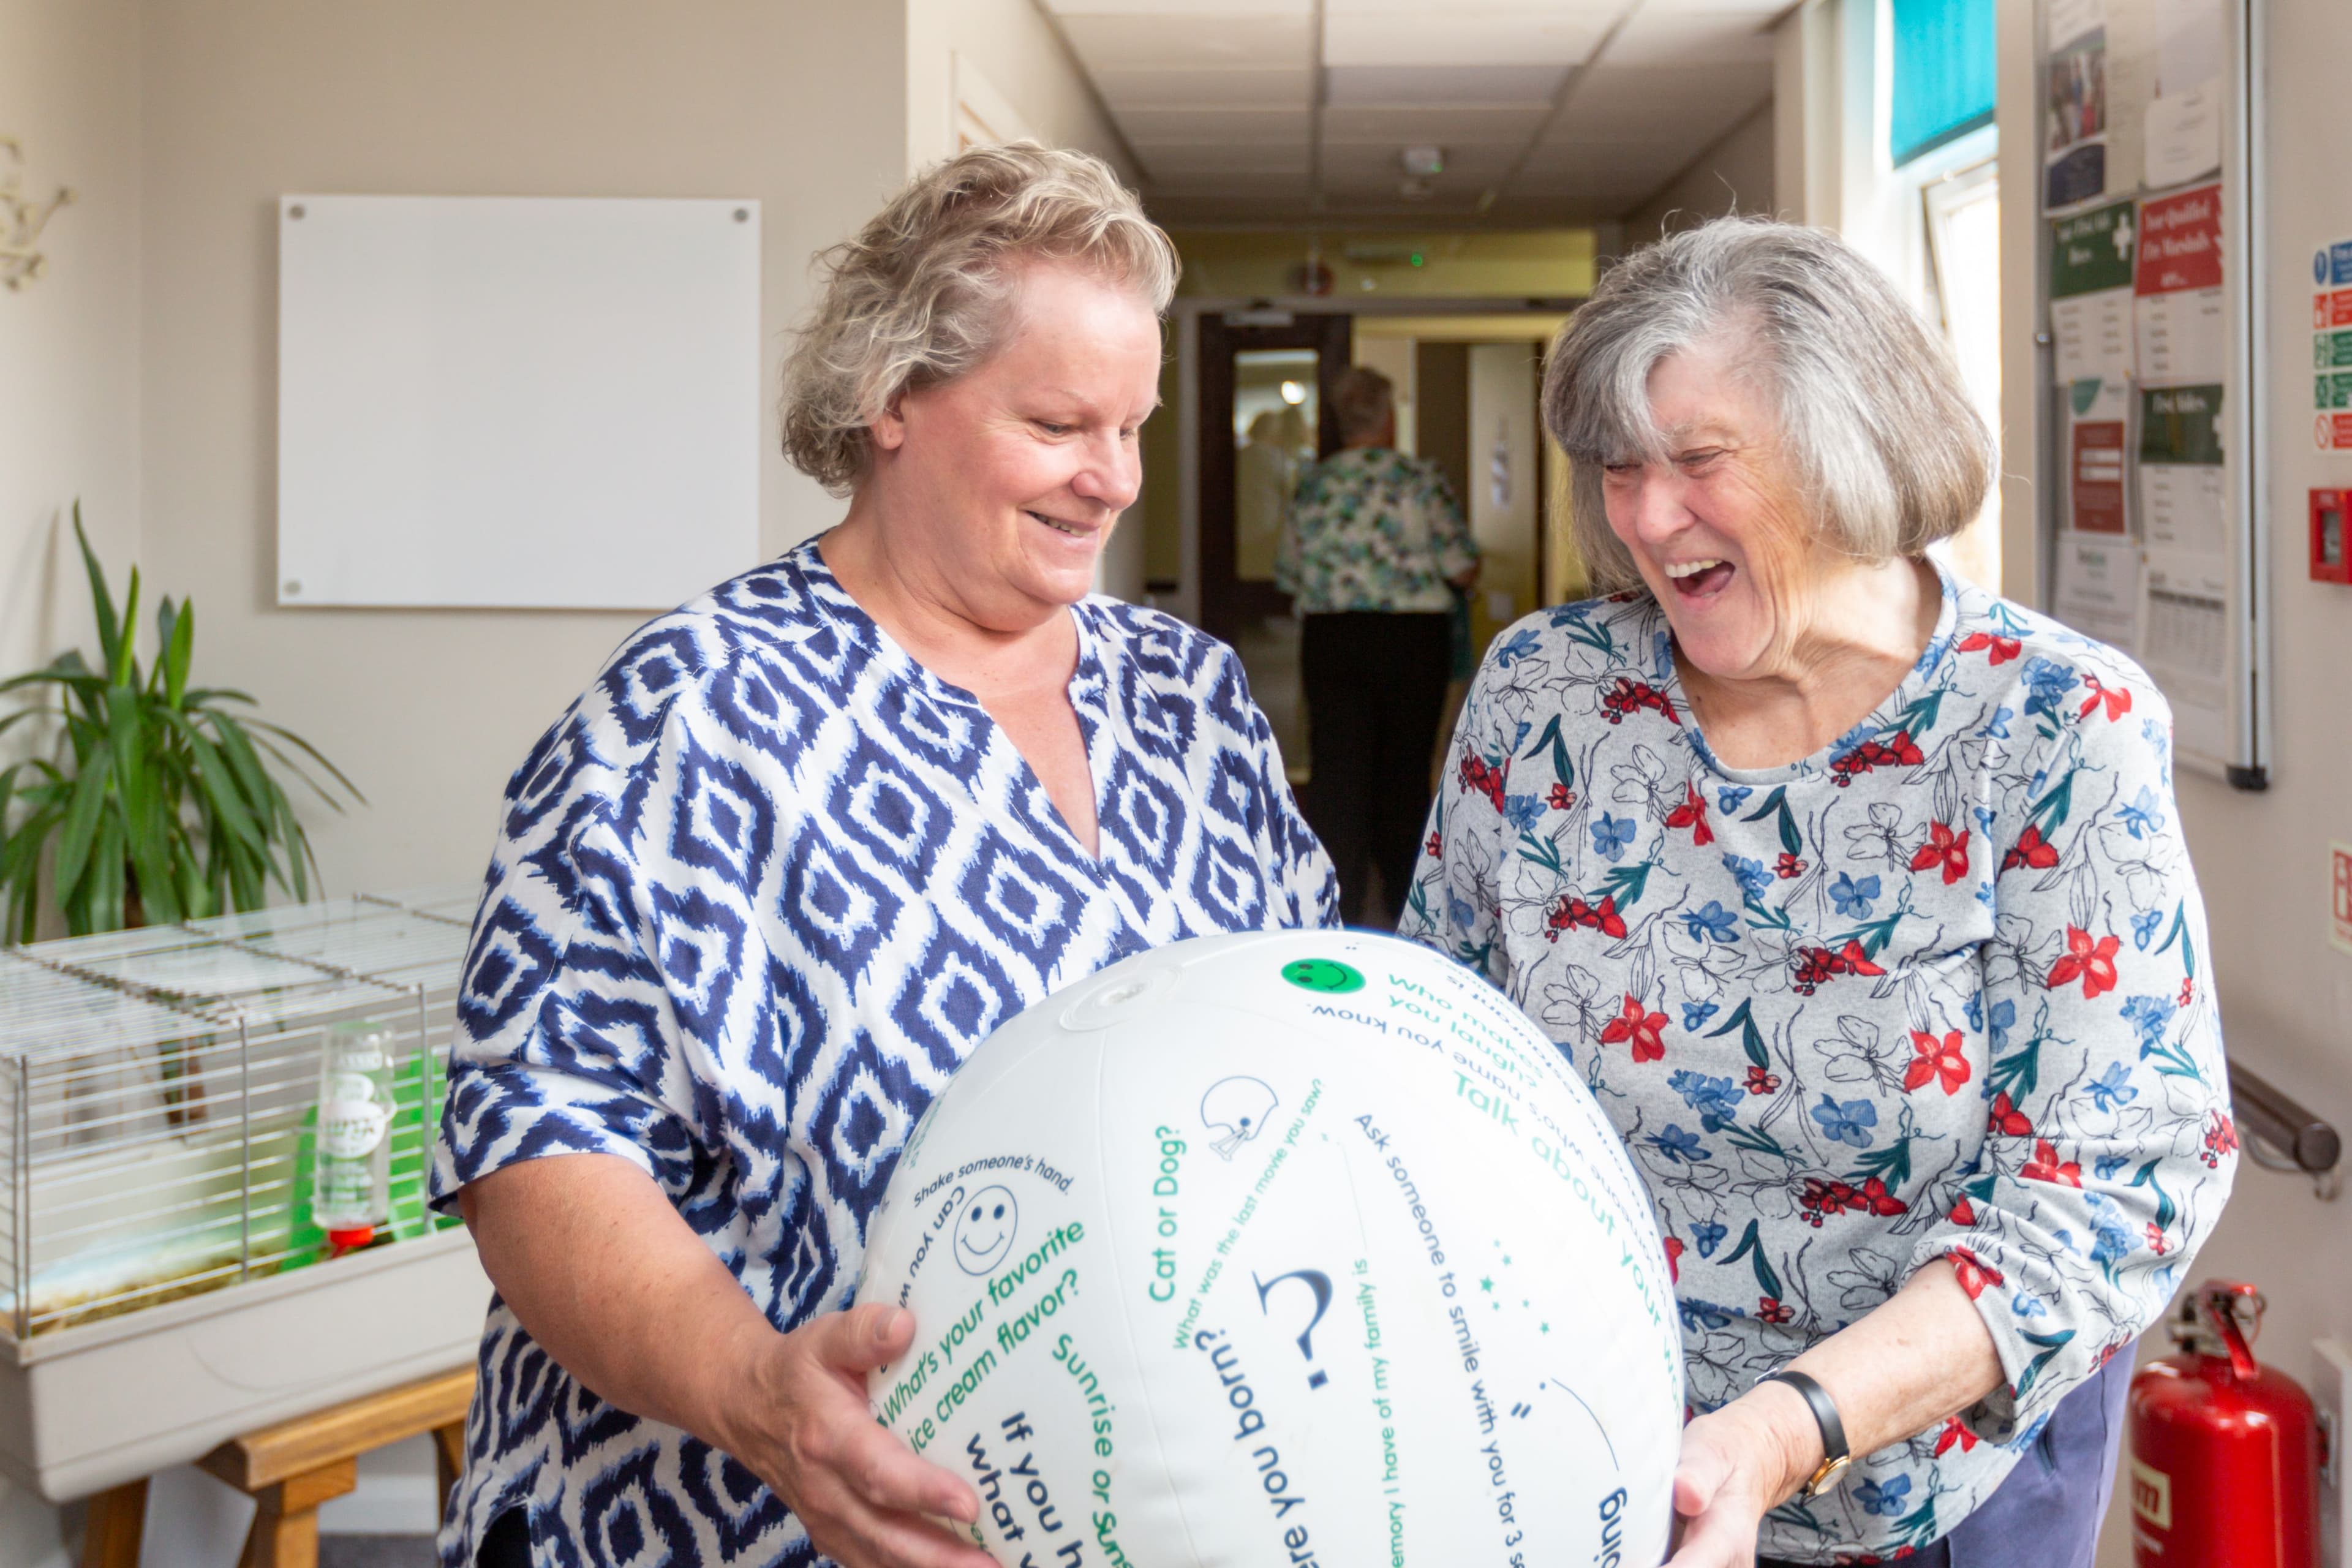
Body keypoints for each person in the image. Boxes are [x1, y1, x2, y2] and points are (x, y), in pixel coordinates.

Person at [432, 143, 1336, 1568]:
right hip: (725, 1519)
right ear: (889, 395)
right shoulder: (695, 711)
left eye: (1135, 425)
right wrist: (753, 1394)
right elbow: (536, 1139)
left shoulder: (1190, 699)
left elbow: (1295, 1047)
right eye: (1056, 422)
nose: (1111, 479)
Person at [1401, 218, 2234, 1568]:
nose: (1647, 515)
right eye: (1619, 468)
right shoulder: (1549, 691)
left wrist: (1780, 1432)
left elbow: (2112, 1180)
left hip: (1937, 1490)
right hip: (1586, 1462)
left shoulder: (2051, 724)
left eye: (1698, 461)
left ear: (1846, 442)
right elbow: (1439, 1046)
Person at [1277, 365, 1478, 925]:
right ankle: (1405, 911)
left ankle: (1333, 909)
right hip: (1412, 641)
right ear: (1388, 419)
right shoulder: (1418, 479)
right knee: (1406, 772)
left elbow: (1289, 572)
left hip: (1334, 638)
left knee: (1336, 771)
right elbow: (1460, 567)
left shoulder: (1315, 485)